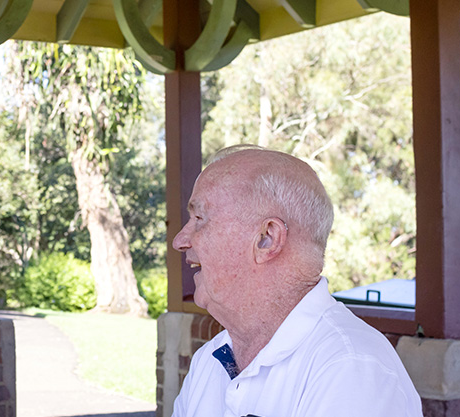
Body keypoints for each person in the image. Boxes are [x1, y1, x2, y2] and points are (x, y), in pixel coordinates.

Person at [170, 145, 422, 416]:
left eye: (199, 219)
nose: (180, 241)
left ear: (267, 238)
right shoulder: (211, 358)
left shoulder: (351, 368)